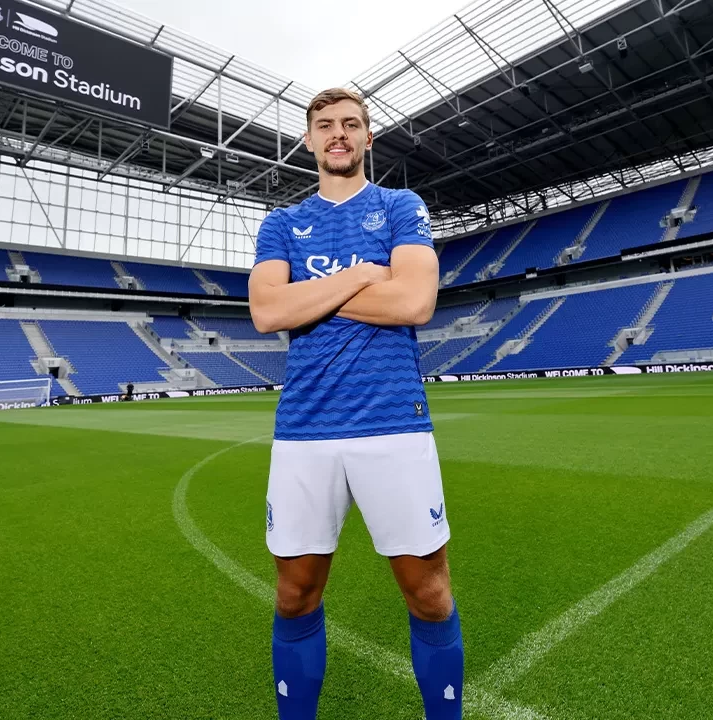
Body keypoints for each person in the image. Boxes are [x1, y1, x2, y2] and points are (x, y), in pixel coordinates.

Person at [248, 87, 461, 719]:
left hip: (393, 422)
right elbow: (267, 312)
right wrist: (365, 274)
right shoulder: (280, 223)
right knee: (294, 593)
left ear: (368, 137)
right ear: (309, 141)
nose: (337, 134)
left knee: (428, 593)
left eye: (350, 124)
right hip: (305, 430)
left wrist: (309, 298)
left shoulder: (400, 206)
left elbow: (414, 303)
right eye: (325, 126)